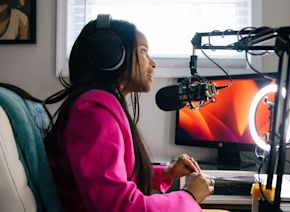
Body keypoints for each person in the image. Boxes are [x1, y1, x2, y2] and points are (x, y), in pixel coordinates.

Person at [44, 15, 214, 211]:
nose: (153, 64)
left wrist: (165, 173)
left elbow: (113, 177)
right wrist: (189, 196)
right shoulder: (93, 113)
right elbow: (115, 206)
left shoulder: (99, 106)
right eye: (144, 52)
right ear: (112, 56)